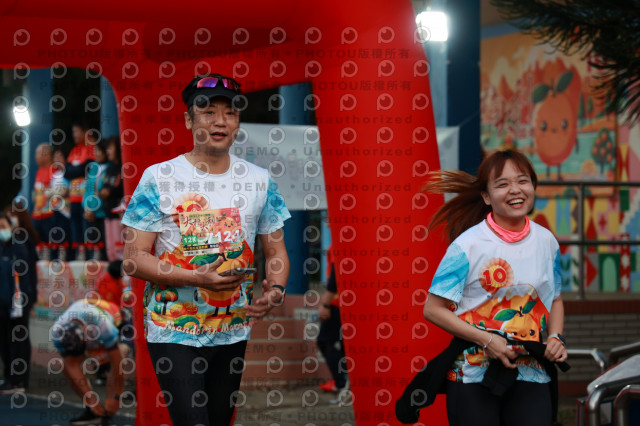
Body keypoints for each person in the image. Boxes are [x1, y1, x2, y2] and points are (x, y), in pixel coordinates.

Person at [122, 73, 291, 426]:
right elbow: (134, 259)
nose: (220, 122)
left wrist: (275, 290)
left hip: (232, 327)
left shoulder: (259, 181)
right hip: (173, 327)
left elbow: (276, 252)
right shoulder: (159, 178)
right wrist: (195, 277)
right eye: (208, 112)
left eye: (230, 113)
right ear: (189, 120)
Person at [396, 149, 568, 426]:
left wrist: (557, 338)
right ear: (486, 197)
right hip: (473, 373)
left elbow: (555, 298)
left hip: (530, 370)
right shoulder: (467, 245)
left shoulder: (547, 241)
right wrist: (487, 340)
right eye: (502, 184)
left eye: (523, 181)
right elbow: (433, 309)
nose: (515, 190)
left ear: (533, 187)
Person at [50, 298, 128, 425]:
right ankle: (94, 411)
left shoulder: (103, 326)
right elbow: (72, 364)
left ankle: (109, 411)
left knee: (120, 354)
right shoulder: (57, 332)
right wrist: (91, 400)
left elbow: (118, 362)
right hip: (89, 325)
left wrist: (117, 396)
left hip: (118, 321)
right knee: (65, 366)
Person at [0, 210, 38, 395]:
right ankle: (9, 377)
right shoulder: (3, 247)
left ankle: (19, 381)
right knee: (5, 341)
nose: (1, 230)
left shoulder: (20, 246)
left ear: (11, 226)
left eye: (3, 226)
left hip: (18, 302)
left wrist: (27, 299)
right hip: (3, 303)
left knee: (18, 341)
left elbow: (28, 276)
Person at [317, 246, 349, 404]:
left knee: (325, 341)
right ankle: (346, 385)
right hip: (348, 302)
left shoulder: (340, 242)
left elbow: (337, 272)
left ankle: (343, 384)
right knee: (345, 346)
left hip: (337, 303)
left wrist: (326, 304)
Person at [64, 120, 96, 260]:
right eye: (73, 132)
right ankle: (79, 259)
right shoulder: (74, 150)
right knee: (76, 233)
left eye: (76, 131)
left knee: (88, 231)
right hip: (73, 198)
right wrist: (78, 169)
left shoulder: (92, 148)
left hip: (87, 199)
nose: (74, 134)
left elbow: (87, 168)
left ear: (85, 131)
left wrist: (75, 169)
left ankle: (90, 259)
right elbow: (67, 171)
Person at [82, 140, 110, 260]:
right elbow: (88, 189)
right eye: (95, 151)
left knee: (105, 246)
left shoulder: (110, 167)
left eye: (99, 151)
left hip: (102, 213)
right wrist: (87, 207)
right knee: (90, 245)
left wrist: (94, 208)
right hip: (90, 212)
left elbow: (104, 192)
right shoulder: (93, 167)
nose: (96, 154)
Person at [99, 137, 124, 261]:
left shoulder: (124, 168)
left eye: (110, 148)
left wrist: (109, 192)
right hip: (107, 213)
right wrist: (103, 192)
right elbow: (103, 187)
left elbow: (121, 187)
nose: (107, 151)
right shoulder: (109, 169)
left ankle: (120, 270)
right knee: (110, 248)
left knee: (119, 246)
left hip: (118, 215)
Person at [31, 143, 55, 248]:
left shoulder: (54, 170)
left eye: (38, 154)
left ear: (47, 155)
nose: (36, 157)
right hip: (37, 215)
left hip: (49, 215)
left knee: (51, 244)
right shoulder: (39, 171)